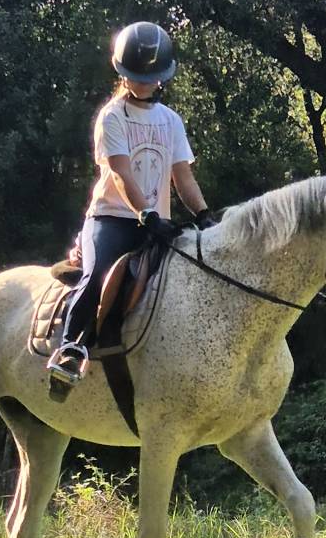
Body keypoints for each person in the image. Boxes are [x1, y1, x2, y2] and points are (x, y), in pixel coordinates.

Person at [47, 21, 215, 388]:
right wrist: (146, 214)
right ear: (122, 73)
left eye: (152, 77)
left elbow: (182, 177)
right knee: (97, 274)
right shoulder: (111, 117)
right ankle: (71, 349)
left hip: (159, 224)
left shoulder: (171, 121)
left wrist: (203, 215)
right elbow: (121, 174)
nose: (146, 83)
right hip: (113, 219)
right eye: (138, 76)